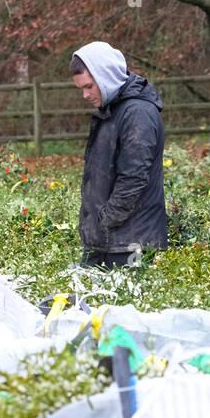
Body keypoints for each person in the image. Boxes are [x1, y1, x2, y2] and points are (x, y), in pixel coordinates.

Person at [70, 42, 168, 268]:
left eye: (88, 86)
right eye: (81, 89)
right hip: (108, 241)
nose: (85, 95)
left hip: (130, 244)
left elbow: (133, 178)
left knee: (123, 303)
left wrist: (104, 221)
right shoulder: (113, 109)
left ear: (105, 78)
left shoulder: (137, 113)